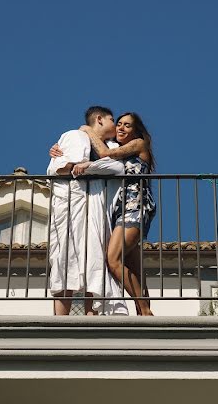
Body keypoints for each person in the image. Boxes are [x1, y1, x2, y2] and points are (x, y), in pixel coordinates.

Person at [54, 111, 156, 316]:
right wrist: (61, 151)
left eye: (127, 125)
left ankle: (145, 312)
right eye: (119, 123)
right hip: (120, 210)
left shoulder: (138, 144)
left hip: (136, 206)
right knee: (133, 265)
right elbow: (103, 158)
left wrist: (87, 130)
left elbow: (103, 155)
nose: (121, 128)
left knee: (113, 259)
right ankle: (143, 309)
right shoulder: (120, 149)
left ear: (136, 130)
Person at [46, 106, 128, 316]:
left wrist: (87, 166)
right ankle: (61, 323)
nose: (116, 125)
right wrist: (75, 164)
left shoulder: (110, 146)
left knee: (94, 260)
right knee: (66, 261)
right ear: (99, 119)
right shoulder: (75, 136)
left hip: (94, 211)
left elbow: (117, 168)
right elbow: (60, 168)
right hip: (72, 207)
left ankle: (91, 317)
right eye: (112, 120)